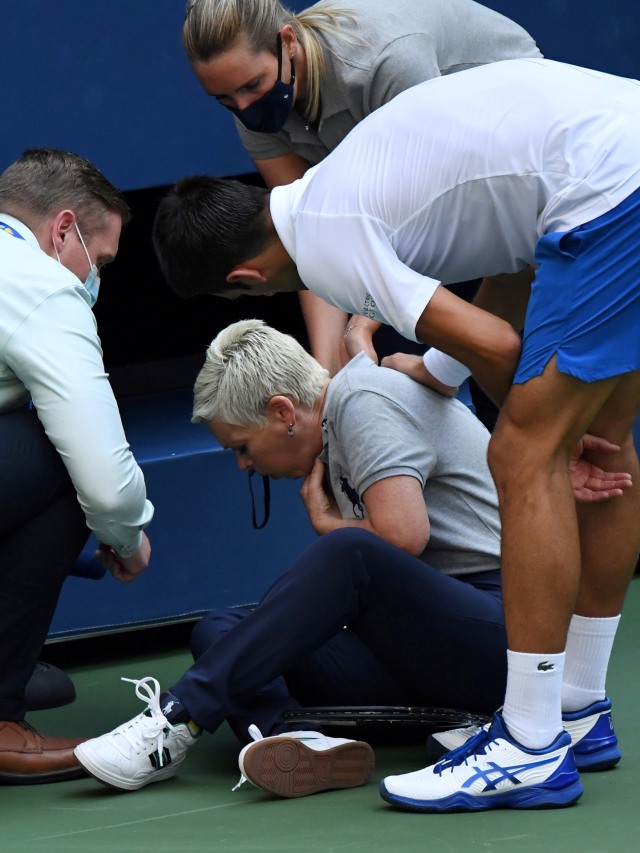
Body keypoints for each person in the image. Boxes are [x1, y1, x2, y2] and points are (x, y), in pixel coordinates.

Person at [151, 57, 640, 812]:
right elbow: (515, 264)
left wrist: (549, 440)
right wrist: (444, 371)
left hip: (611, 186)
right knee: (610, 444)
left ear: (242, 281)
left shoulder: (326, 248)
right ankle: (577, 711)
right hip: (610, 166)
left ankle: (533, 745)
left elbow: (503, 348)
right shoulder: (327, 193)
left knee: (523, 452)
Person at [73, 320, 626, 797]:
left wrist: (328, 525)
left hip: (507, 632)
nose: (243, 465)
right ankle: (302, 744)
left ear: (283, 411)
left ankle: (176, 720)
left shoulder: (359, 400)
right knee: (220, 629)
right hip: (426, 650)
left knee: (349, 550)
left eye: (241, 446)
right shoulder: (340, 410)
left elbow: (403, 536)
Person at [182, 0, 542, 376]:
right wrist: (325, 373)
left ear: (287, 42)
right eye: (225, 100)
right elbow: (304, 239)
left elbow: (429, 213)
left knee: (507, 356)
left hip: (523, 139)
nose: (244, 107)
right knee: (383, 352)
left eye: (253, 85)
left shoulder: (385, 63)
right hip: (445, 196)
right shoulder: (252, 107)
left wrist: (363, 321)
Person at [0, 148, 154, 784]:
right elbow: (106, 482)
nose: (96, 281)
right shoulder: (40, 284)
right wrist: (125, 536)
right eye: (103, 262)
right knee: (63, 458)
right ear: (62, 230)